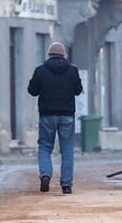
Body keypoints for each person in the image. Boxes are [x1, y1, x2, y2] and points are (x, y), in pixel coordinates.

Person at [28, 41, 83, 194]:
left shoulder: (40, 70)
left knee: (45, 147)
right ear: (64, 55)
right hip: (67, 115)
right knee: (67, 150)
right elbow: (78, 91)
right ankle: (66, 185)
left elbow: (32, 91)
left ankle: (45, 175)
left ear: (49, 55)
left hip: (47, 115)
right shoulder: (73, 70)